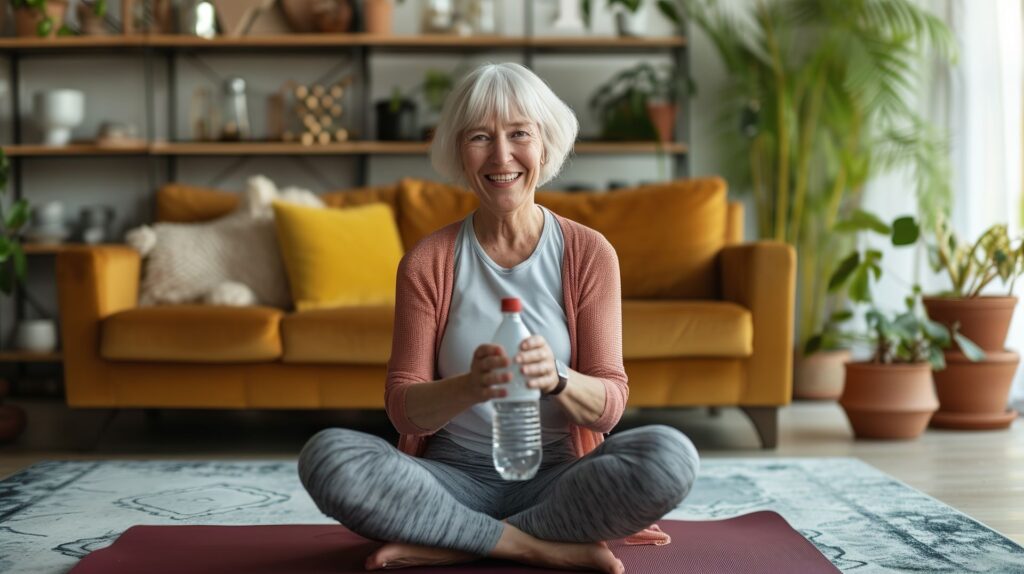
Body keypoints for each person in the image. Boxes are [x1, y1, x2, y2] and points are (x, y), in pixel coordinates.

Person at [299, 62, 699, 574]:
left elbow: (610, 407)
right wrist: (470, 386)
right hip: (449, 481)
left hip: (556, 481)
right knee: (329, 456)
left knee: (671, 455)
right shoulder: (428, 261)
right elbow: (402, 410)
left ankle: (453, 538)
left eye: (519, 134)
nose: (502, 155)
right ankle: (534, 547)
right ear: (459, 152)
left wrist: (557, 378)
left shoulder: (588, 253)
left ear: (546, 144)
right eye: (481, 137)